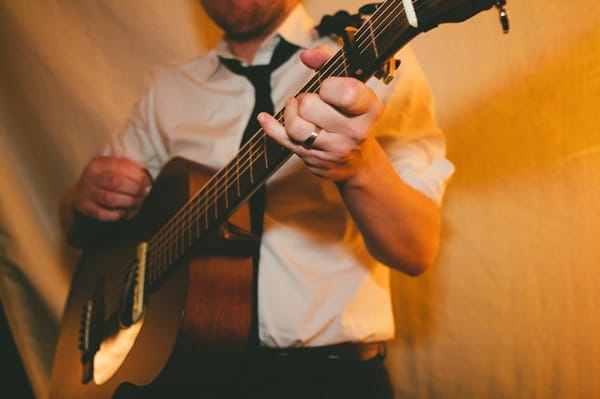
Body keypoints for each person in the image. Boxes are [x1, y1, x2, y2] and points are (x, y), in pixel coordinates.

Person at [58, 0, 453, 397]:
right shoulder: (167, 88)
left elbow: (415, 250)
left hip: (330, 380)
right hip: (183, 376)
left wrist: (361, 166)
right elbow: (82, 227)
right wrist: (80, 202)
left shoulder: (369, 57)